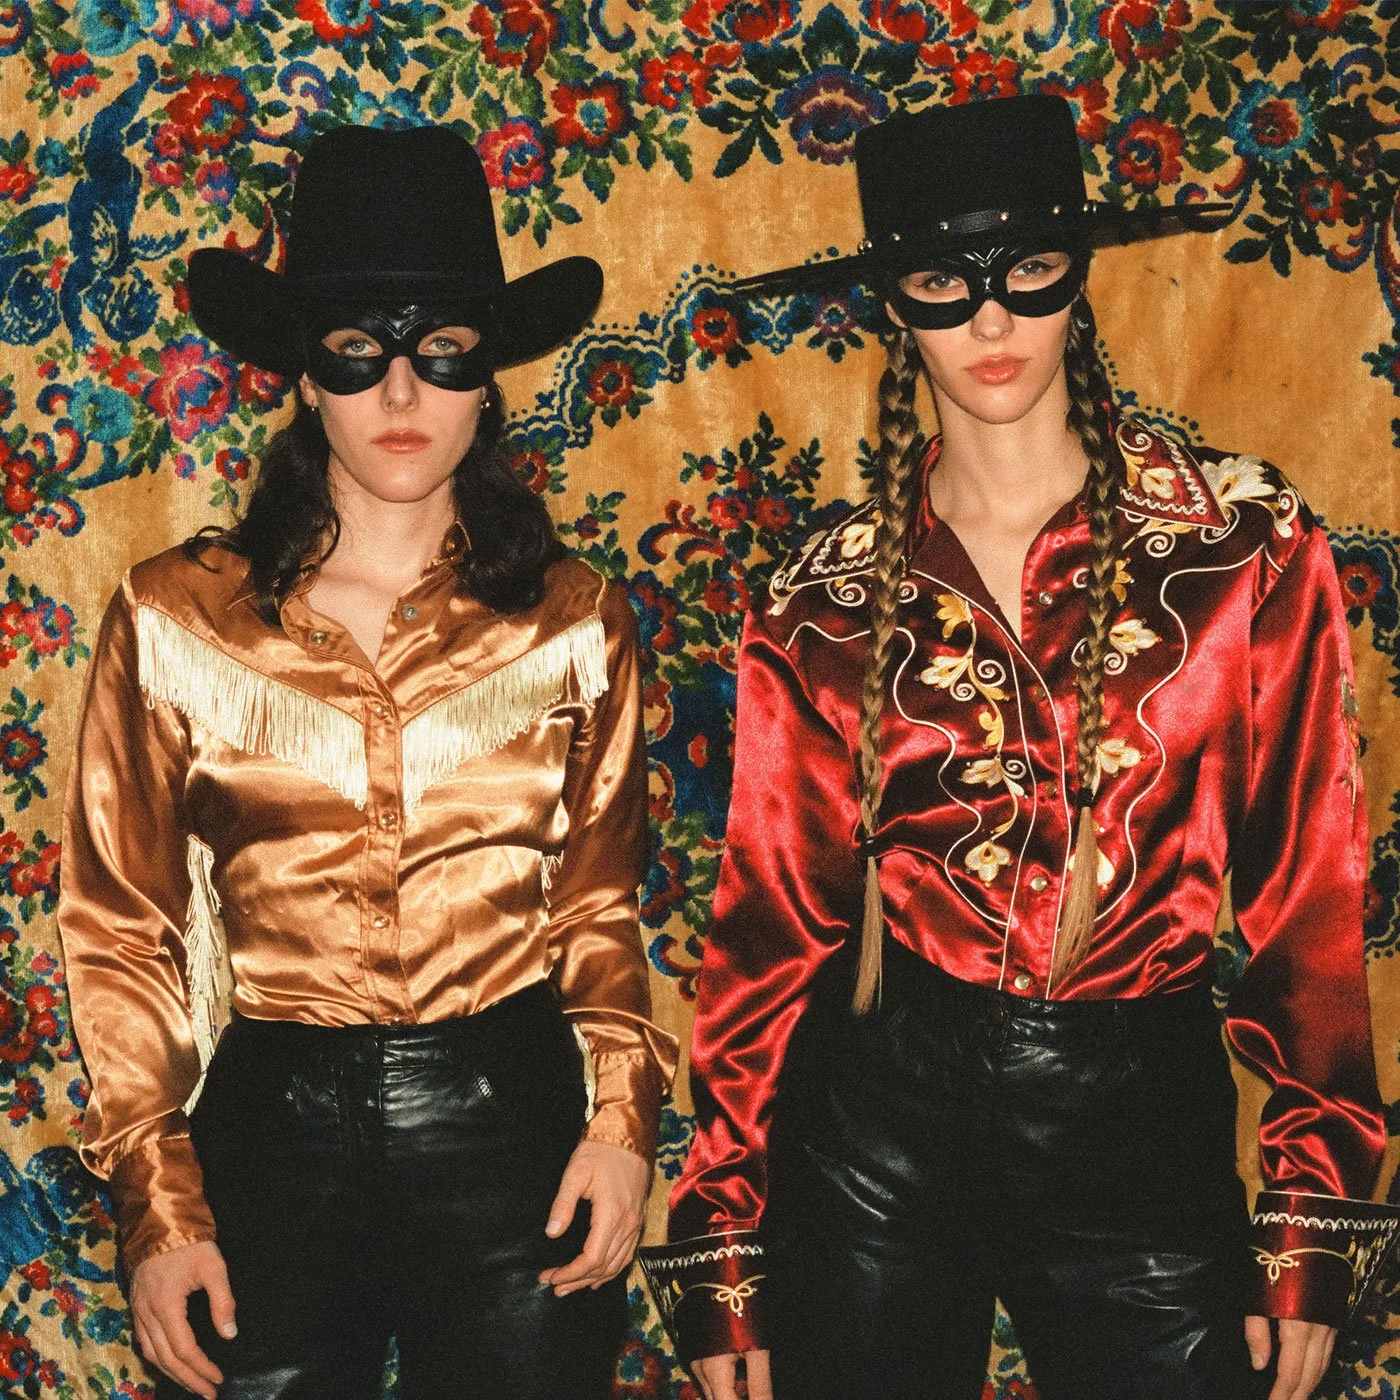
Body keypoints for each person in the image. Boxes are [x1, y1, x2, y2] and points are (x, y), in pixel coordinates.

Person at [640, 95, 1398, 1400]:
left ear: (1078, 270)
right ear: (894, 302)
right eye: (944, 280)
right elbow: (769, 934)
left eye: (1026, 268)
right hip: (874, 1135)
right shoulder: (820, 599)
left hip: (1137, 1130)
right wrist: (723, 1248)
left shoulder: (1244, 547)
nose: (990, 321)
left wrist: (1308, 1214)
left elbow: (1307, 900)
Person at [59, 124, 676, 1400]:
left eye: (440, 347)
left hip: (511, 1124)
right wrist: (159, 1202)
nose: (400, 396)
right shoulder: (174, 617)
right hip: (268, 1135)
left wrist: (621, 1124)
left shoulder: (573, 619)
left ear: (487, 373)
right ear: (305, 374)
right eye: (357, 347)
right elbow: (120, 926)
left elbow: (599, 904)